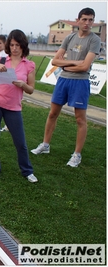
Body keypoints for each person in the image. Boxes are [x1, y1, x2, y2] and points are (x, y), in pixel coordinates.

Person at [31, 7, 101, 168]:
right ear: (78, 20)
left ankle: (77, 154)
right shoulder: (69, 38)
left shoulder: (94, 40)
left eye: (91, 20)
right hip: (63, 81)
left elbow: (85, 67)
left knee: (80, 119)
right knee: (53, 113)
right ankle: (45, 145)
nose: (87, 23)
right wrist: (76, 63)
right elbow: (55, 61)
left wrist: (69, 65)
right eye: (84, 19)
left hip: (80, 82)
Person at [0, 29, 38, 183]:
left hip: (14, 107)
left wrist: (23, 85)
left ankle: (27, 170)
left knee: (20, 142)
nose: (14, 48)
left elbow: (31, 89)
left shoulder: (29, 65)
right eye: (12, 45)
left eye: (17, 45)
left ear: (23, 46)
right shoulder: (2, 59)